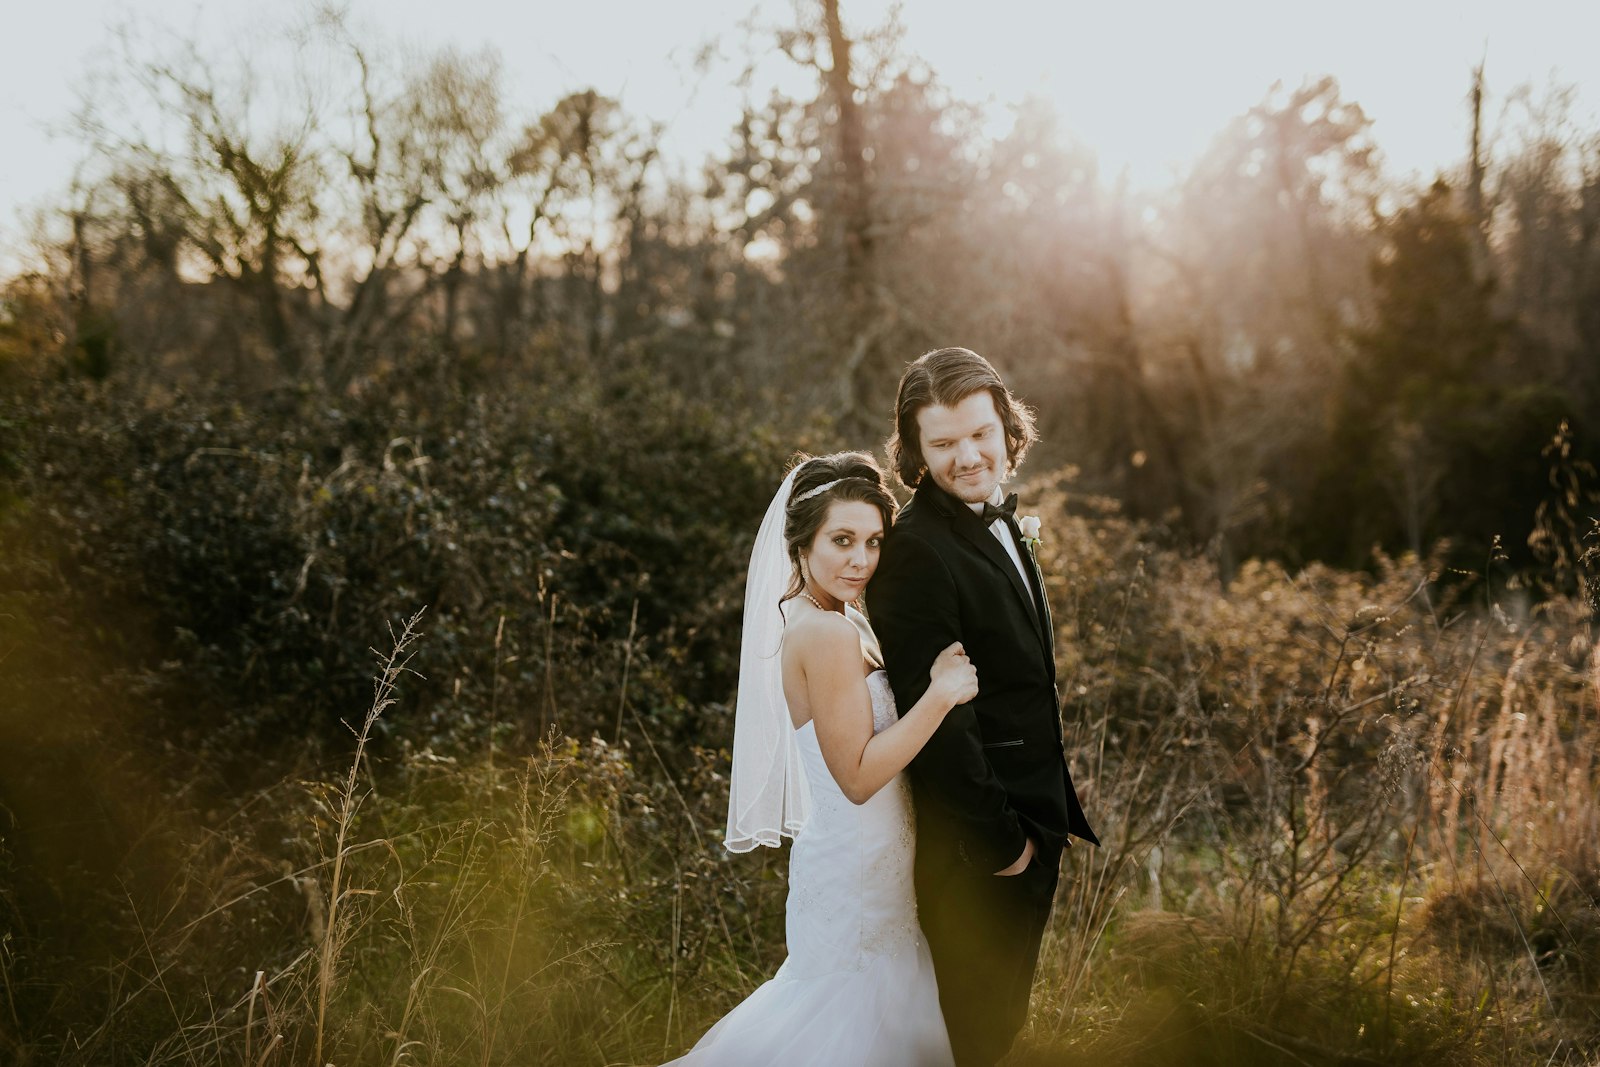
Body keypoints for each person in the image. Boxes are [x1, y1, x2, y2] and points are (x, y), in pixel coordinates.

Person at [666, 451, 977, 1067]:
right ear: (802, 544)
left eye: (872, 541)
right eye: (841, 540)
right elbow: (858, 777)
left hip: (864, 864)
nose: (860, 560)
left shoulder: (832, 616)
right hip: (857, 871)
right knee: (846, 1025)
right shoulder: (827, 633)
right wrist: (941, 696)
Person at [866, 347, 1100, 1067]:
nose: (968, 457)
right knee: (974, 1040)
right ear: (913, 451)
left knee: (996, 1034)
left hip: (1033, 820)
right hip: (980, 852)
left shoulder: (999, 520)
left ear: (1007, 425)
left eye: (980, 434)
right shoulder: (917, 552)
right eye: (942, 444)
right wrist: (1006, 848)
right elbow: (937, 726)